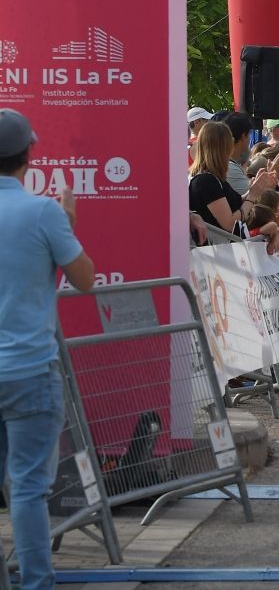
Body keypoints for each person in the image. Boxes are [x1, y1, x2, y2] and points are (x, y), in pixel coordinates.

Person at [0, 109, 96, 590]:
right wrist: (69, 225)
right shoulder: (42, 212)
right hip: (28, 370)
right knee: (28, 489)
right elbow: (85, 280)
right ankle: (36, 582)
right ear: (28, 155)